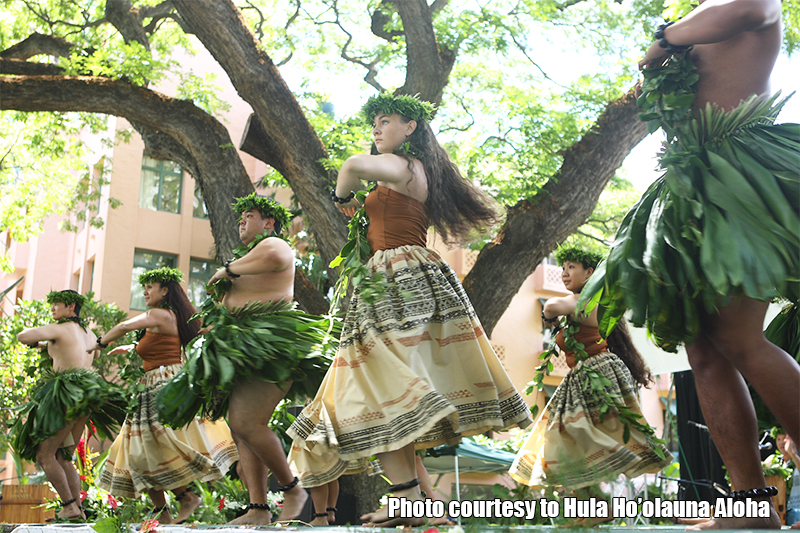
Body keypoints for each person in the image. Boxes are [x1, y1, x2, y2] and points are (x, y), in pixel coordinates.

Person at [579, 0, 799, 528]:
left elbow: (743, 13)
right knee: (703, 350)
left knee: (741, 338)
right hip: (688, 182)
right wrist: (665, 44)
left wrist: (663, 39)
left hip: (737, 174)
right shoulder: (700, 10)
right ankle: (750, 509)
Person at [286, 92, 532, 527]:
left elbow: (350, 168)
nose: (376, 130)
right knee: (384, 391)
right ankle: (412, 503)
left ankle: (409, 501)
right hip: (410, 275)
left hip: (395, 278)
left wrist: (340, 194)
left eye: (385, 121)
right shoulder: (414, 171)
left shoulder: (403, 166)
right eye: (374, 123)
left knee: (376, 386)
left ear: (411, 128)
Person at [156, 193, 334, 525]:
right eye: (240, 217)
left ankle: (292, 489)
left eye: (249, 215)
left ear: (268, 222)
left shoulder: (274, 245)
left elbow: (276, 260)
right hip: (241, 347)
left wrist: (227, 269)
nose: (242, 221)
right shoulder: (249, 255)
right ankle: (258, 509)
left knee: (247, 422)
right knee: (240, 430)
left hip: (270, 345)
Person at [509, 246, 673, 494]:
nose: (564, 272)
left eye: (571, 267)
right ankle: (591, 503)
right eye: (562, 268)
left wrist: (550, 318)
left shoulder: (586, 300)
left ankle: (604, 487)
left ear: (589, 273)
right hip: (585, 374)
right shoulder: (586, 301)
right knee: (572, 438)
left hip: (595, 373)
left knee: (576, 434)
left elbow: (551, 306)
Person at [94, 267, 238, 524]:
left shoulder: (157, 314)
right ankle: (165, 512)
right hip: (156, 382)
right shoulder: (172, 316)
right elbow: (161, 344)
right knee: (139, 449)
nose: (145, 291)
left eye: (151, 286)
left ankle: (185, 498)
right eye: (145, 286)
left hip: (161, 385)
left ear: (165, 291)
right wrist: (130, 348)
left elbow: (126, 325)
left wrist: (100, 342)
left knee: (150, 446)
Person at [13, 290, 125, 521]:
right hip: (86, 396)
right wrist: (44, 346)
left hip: (64, 395)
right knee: (64, 458)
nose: (53, 309)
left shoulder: (61, 329)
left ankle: (69, 506)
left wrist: (35, 339)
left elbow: (23, 336)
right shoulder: (89, 333)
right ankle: (78, 511)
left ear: (71, 307)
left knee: (45, 456)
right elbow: (68, 353)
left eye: (57, 304)